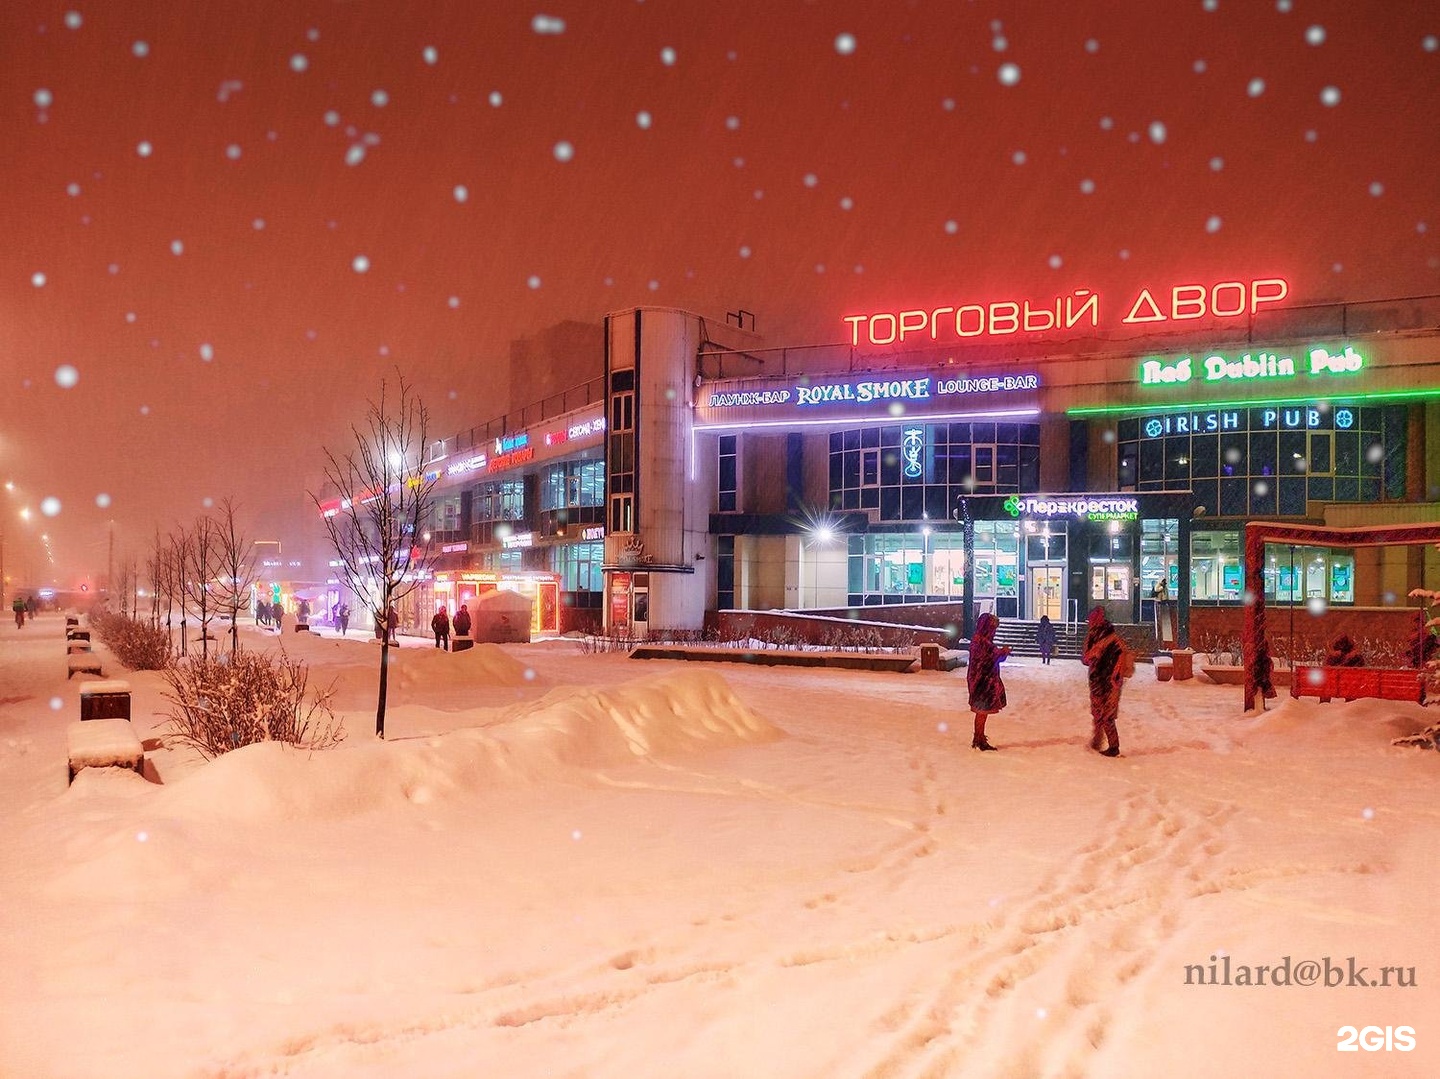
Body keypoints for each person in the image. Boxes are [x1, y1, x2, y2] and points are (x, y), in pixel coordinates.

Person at [1082, 607, 1132, 757]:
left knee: (1107, 715)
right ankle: (1098, 741)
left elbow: (1121, 658)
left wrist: (1117, 673)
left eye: (1092, 619)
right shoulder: (1092, 637)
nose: (1090, 623)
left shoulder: (1112, 639)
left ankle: (1113, 745)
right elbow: (1085, 658)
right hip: (1097, 680)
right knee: (1098, 713)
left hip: (1110, 681)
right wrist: (1091, 655)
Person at [966, 612, 1010, 751]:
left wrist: (1001, 653)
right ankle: (979, 739)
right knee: (982, 711)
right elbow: (988, 658)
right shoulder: (981, 642)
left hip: (982, 681)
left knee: (982, 712)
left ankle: (979, 737)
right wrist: (1002, 652)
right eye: (993, 629)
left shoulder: (981, 641)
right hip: (982, 682)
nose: (994, 632)